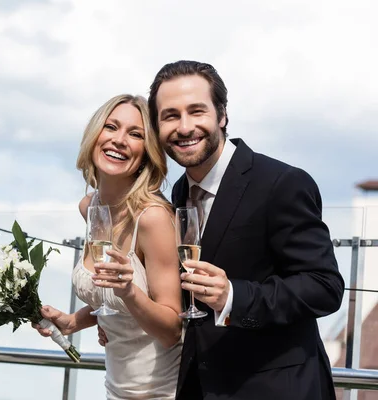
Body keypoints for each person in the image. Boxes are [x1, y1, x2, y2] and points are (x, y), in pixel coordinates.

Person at [146, 60, 345, 400]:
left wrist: (234, 297)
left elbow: (324, 287)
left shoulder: (281, 183)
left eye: (197, 111)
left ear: (222, 115)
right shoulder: (178, 194)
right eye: (170, 115)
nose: (185, 127)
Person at [33, 94, 184, 399]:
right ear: (94, 135)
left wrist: (129, 292)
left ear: (147, 153)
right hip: (115, 389)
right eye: (111, 127)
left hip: (163, 392)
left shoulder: (153, 218)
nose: (119, 140)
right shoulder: (90, 207)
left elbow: (172, 330)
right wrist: (75, 321)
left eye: (135, 134)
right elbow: (113, 297)